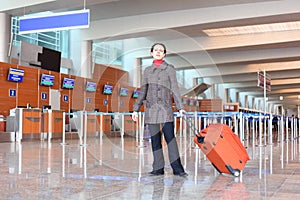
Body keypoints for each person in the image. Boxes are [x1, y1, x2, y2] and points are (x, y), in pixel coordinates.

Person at [132, 43, 188, 177]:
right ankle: (158, 168)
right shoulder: (147, 71)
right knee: (155, 140)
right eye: (156, 50)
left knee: (170, 139)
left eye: (161, 50)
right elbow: (143, 91)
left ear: (164, 54)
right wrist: (135, 109)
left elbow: (175, 88)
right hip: (151, 110)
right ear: (151, 53)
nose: (158, 52)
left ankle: (178, 169)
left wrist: (180, 108)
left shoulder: (169, 69)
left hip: (165, 109)